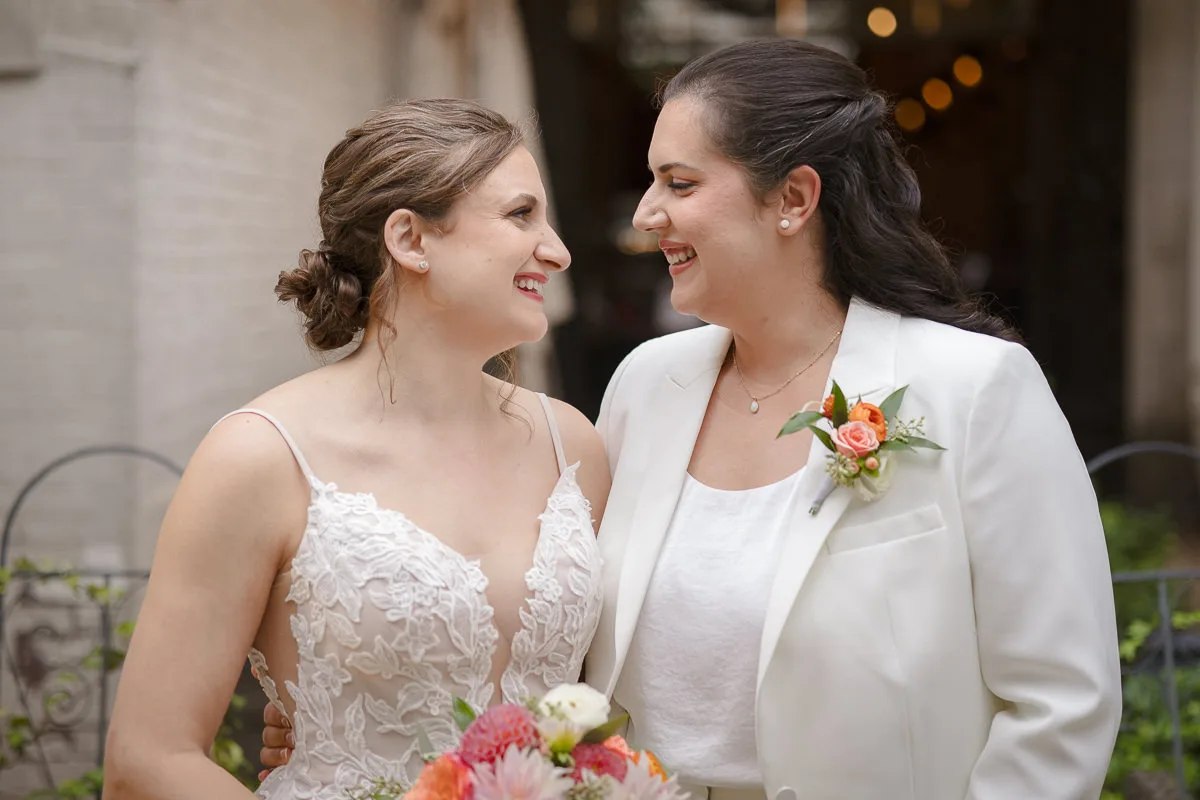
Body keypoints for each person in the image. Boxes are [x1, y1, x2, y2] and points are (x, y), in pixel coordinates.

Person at [261, 39, 1123, 799]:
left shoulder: (975, 388)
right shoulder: (647, 386)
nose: (645, 214)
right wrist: (353, 707)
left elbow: (1063, 702)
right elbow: (552, 639)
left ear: (793, 199)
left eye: (679, 182)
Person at [103, 98, 609, 800]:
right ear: (411, 238)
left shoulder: (573, 444)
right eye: (521, 215)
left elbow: (593, 707)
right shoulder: (260, 457)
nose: (557, 250)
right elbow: (146, 760)